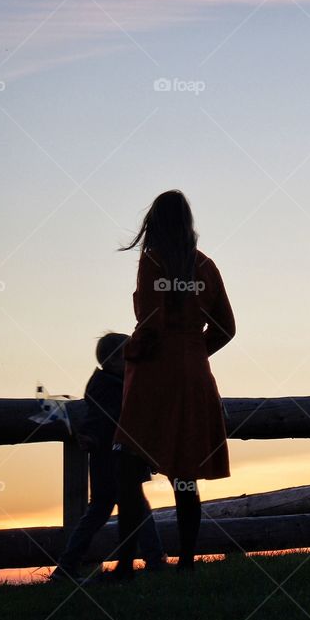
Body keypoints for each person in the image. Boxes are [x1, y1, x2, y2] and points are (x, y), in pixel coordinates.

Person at [112, 189, 236, 579]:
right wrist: (196, 353)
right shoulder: (207, 267)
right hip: (195, 376)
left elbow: (150, 325)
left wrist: (128, 355)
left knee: (127, 466)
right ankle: (185, 563)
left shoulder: (153, 262)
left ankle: (127, 565)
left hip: (156, 375)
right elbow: (227, 328)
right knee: (185, 472)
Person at [49, 332, 166, 582]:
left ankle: (154, 559)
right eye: (129, 357)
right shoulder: (109, 388)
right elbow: (102, 420)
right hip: (112, 461)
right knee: (108, 511)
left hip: (117, 459)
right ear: (115, 361)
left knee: (126, 510)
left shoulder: (111, 385)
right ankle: (68, 566)